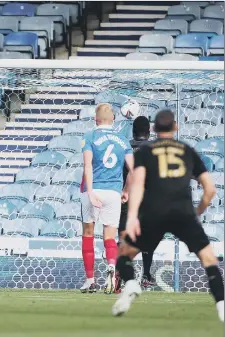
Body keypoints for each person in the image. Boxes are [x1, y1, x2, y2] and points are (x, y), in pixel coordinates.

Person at [113, 109, 224, 322]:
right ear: (175, 127)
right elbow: (210, 190)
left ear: (155, 129)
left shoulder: (145, 152)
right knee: (209, 260)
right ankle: (221, 305)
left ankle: (131, 284)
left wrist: (134, 216)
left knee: (124, 253)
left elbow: (136, 183)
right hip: (183, 213)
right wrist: (197, 213)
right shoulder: (187, 150)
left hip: (154, 212)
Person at [80, 103, 134, 294]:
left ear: (95, 119)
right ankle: (111, 268)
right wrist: (125, 191)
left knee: (88, 233)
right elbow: (133, 170)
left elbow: (87, 166)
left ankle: (90, 280)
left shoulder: (90, 137)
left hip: (92, 190)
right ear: (113, 119)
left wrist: (91, 191)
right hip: (113, 192)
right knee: (109, 237)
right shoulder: (122, 140)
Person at [116, 116, 155, 292]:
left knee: (124, 236)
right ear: (149, 131)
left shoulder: (125, 146)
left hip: (127, 195)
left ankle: (121, 273)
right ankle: (146, 274)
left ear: (133, 130)